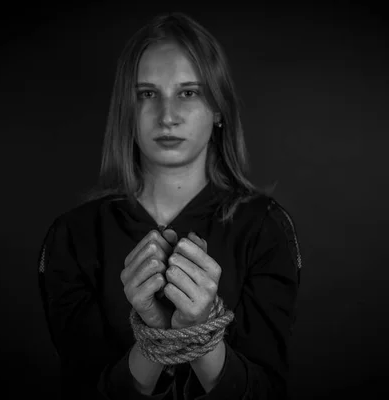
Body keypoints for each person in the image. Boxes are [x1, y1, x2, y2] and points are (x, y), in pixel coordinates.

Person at [38, 11, 302, 400]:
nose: (167, 116)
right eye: (147, 94)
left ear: (218, 111)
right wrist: (154, 335)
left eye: (188, 92)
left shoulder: (266, 227)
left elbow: (267, 393)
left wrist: (200, 329)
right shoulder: (73, 236)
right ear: (127, 111)